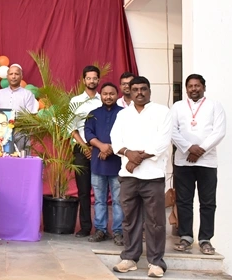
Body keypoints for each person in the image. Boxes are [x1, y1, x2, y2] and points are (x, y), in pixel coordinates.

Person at [110, 76, 172, 278]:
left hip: (152, 176)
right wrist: (128, 153)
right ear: (129, 91)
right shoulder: (123, 114)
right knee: (130, 219)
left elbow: (162, 142)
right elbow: (115, 140)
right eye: (135, 89)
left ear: (149, 91)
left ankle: (156, 262)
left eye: (143, 89)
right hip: (128, 176)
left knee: (155, 221)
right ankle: (129, 258)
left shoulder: (162, 112)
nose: (139, 92)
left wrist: (136, 159)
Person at [170, 74, 226, 255]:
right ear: (186, 89)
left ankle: (205, 239)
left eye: (197, 85)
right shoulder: (177, 106)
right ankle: (186, 236)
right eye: (190, 86)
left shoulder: (215, 106)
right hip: (183, 161)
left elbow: (219, 132)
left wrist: (200, 150)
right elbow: (172, 131)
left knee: (208, 202)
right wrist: (189, 149)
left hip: (207, 162)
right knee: (184, 201)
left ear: (204, 87)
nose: (194, 89)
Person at [84, 82, 124, 245]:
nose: (108, 97)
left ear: (117, 95)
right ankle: (100, 230)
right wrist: (101, 146)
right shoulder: (93, 114)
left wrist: (111, 149)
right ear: (101, 96)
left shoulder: (124, 114)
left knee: (118, 200)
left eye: (111, 94)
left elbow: (127, 135)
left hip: (118, 164)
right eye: (105, 94)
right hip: (98, 164)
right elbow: (88, 133)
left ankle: (118, 232)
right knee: (99, 200)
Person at [70, 65, 102, 238]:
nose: (91, 81)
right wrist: (84, 146)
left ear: (98, 80)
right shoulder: (76, 101)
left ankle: (100, 228)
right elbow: (72, 127)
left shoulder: (103, 99)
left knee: (100, 190)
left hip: (101, 150)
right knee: (83, 190)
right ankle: (85, 227)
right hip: (81, 148)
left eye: (94, 78)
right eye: (88, 78)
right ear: (84, 80)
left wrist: (95, 147)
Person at [0, 64, 38, 152]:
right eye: (11, 74)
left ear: (21, 76)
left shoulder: (27, 94)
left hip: (20, 133)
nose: (13, 76)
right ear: (7, 76)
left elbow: (30, 117)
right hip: (0, 132)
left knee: (19, 158)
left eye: (16, 74)